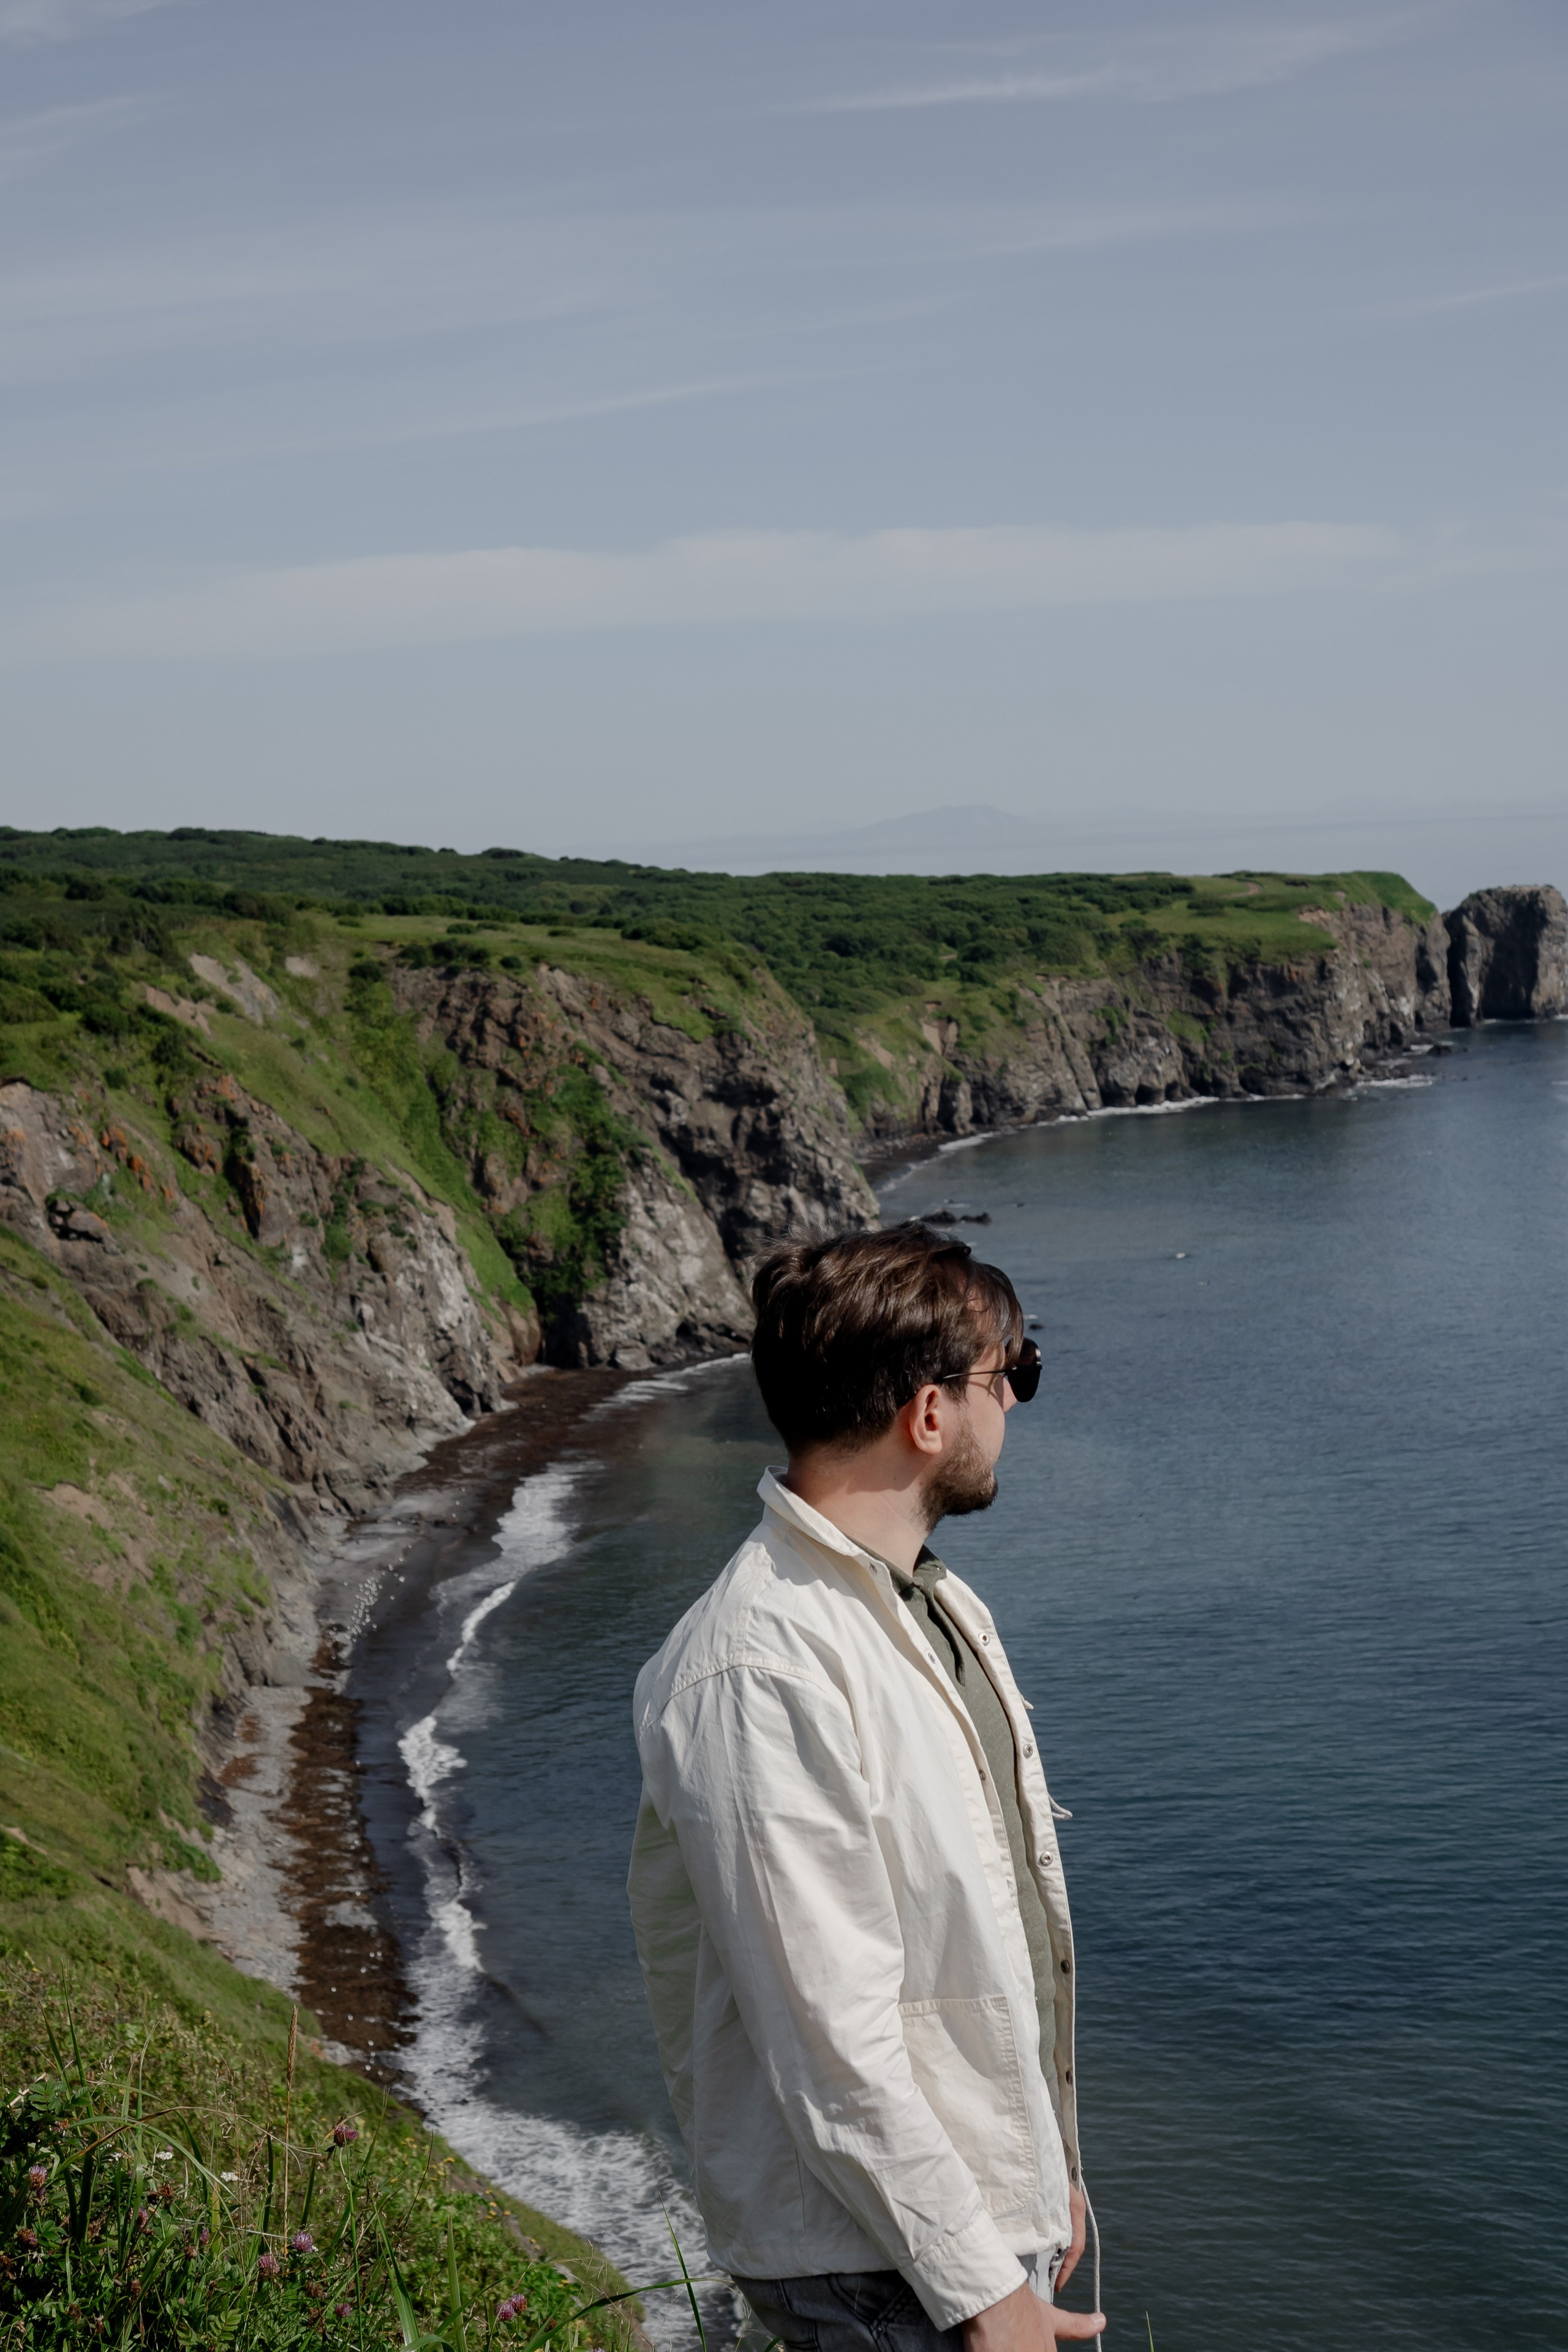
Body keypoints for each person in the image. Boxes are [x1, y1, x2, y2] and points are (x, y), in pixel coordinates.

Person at [627, 1223, 1104, 2352]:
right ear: (929, 1414)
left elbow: (992, 1936)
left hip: (950, 2238)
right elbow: (831, 2039)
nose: (1020, 1406)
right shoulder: (757, 1668)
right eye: (1012, 1374)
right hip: (879, 2269)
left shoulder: (928, 1607)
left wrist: (1046, 2171)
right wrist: (986, 2290)